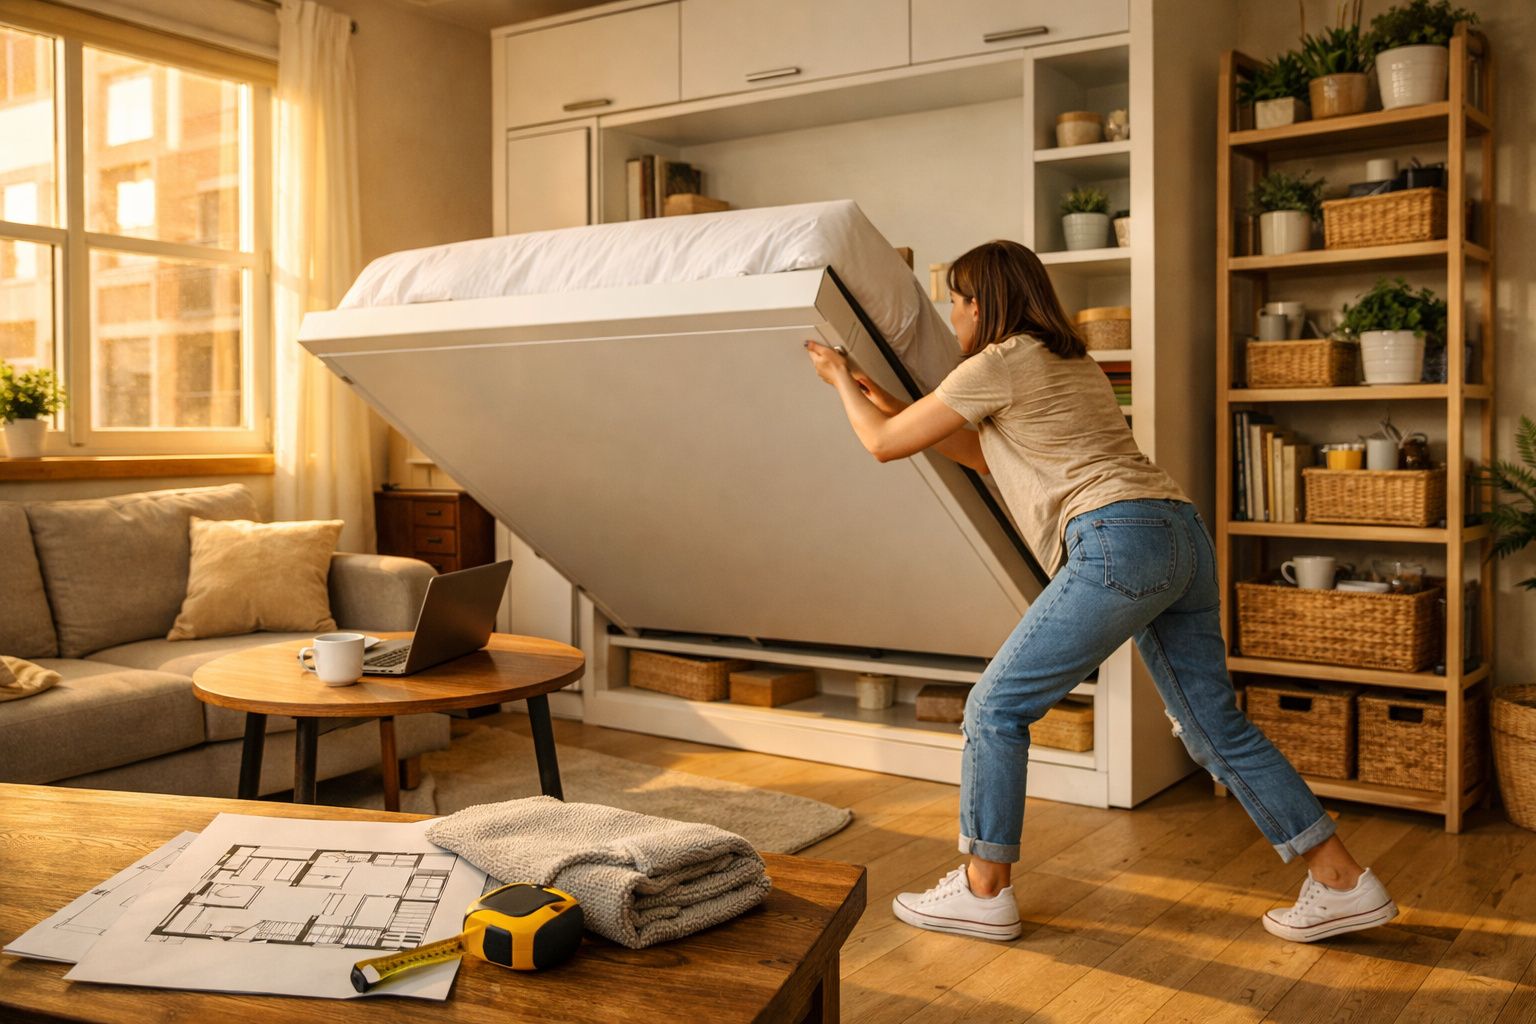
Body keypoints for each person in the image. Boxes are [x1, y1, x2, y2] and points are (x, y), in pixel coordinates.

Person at [803, 239, 1396, 944]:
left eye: (957, 301)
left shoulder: (996, 362)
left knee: (995, 708)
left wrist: (840, 378)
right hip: (1178, 534)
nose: (952, 314)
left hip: (1116, 538)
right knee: (1213, 725)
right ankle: (1343, 881)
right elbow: (982, 454)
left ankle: (982, 889)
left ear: (982, 304)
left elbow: (882, 445)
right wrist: (896, 402)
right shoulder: (1066, 360)